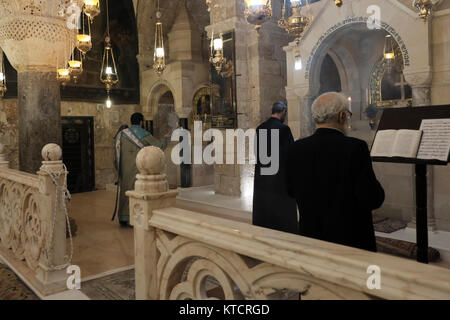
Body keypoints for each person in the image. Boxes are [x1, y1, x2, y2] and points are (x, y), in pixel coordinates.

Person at [286, 92, 385, 252]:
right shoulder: (355, 148)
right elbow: (372, 198)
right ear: (342, 116)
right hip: (350, 241)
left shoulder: (295, 149)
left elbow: (290, 191)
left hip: (311, 237)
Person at [113, 113, 168, 227]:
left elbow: (115, 154)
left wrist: (118, 168)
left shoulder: (121, 134)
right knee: (135, 192)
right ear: (141, 122)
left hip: (123, 168)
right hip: (137, 168)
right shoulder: (143, 134)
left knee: (125, 190)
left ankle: (123, 217)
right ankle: (133, 218)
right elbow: (158, 146)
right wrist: (165, 138)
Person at [253, 102, 298, 234]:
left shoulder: (260, 128)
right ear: (283, 111)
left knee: (265, 207)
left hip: (263, 176)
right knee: (281, 210)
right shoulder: (284, 129)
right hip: (279, 177)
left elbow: (256, 152)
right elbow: (290, 154)